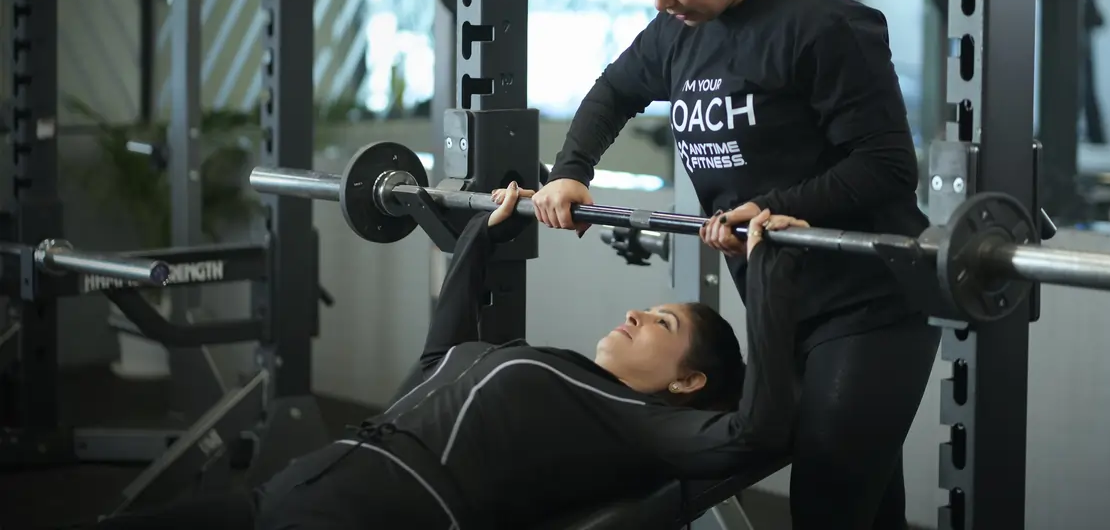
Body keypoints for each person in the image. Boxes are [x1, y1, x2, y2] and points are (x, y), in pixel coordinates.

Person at [532, 0, 942, 530]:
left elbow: (888, 165)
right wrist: (573, 170)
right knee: (868, 510)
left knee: (829, 504)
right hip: (782, 301)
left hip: (871, 303)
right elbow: (615, 90)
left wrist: (779, 206)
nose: (662, 1)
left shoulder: (824, 24)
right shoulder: (679, 33)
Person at [83, 183, 806, 530]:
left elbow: (757, 433)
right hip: (287, 493)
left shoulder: (636, 421)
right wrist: (480, 238)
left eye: (661, 322)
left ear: (688, 381)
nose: (635, 314)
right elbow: (440, 356)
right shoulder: (571, 377)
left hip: (368, 518)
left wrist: (767, 274)